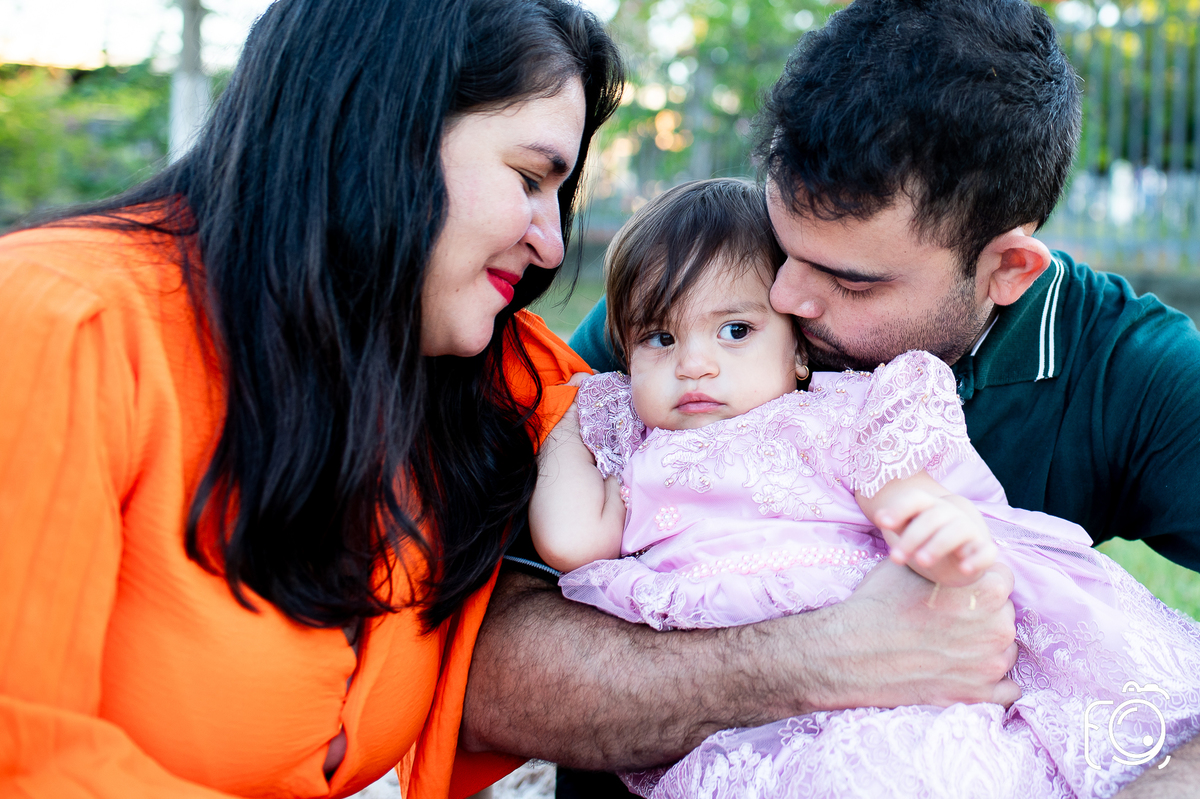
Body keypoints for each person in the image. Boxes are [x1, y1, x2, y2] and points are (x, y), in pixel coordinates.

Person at [460, 0, 1200, 796]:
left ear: (1007, 269)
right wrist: (824, 656)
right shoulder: (696, 308)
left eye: (851, 280)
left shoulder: (1134, 369)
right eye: (786, 243)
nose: (786, 294)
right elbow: (478, 680)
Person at [0, 0, 623, 797]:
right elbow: (20, 752)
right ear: (385, 128)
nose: (552, 243)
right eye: (530, 178)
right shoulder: (60, 322)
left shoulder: (476, 371)